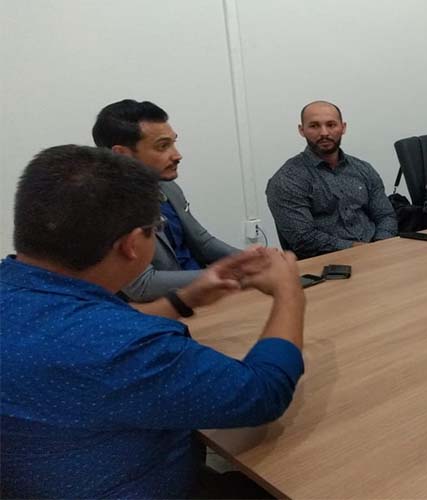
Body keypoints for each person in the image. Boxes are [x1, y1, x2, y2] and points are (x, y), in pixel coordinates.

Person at [0, 145, 306, 498]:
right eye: (155, 228)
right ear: (132, 244)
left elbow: (86, 330)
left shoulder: (23, 294)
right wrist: (289, 293)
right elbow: (262, 393)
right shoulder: (128, 346)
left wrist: (185, 298)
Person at [93, 99, 240, 302]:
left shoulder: (166, 186)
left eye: (173, 143)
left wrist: (253, 260)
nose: (177, 155)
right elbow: (143, 285)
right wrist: (227, 274)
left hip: (201, 294)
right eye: (163, 146)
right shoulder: (103, 207)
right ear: (122, 154)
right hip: (160, 307)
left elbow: (203, 243)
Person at [266, 100, 397, 259]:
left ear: (343, 127)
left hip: (376, 253)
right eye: (314, 126)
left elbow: (386, 215)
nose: (324, 133)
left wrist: (380, 244)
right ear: (302, 130)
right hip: (326, 264)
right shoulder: (287, 179)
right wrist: (359, 250)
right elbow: (303, 239)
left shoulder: (363, 169)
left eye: (331, 125)